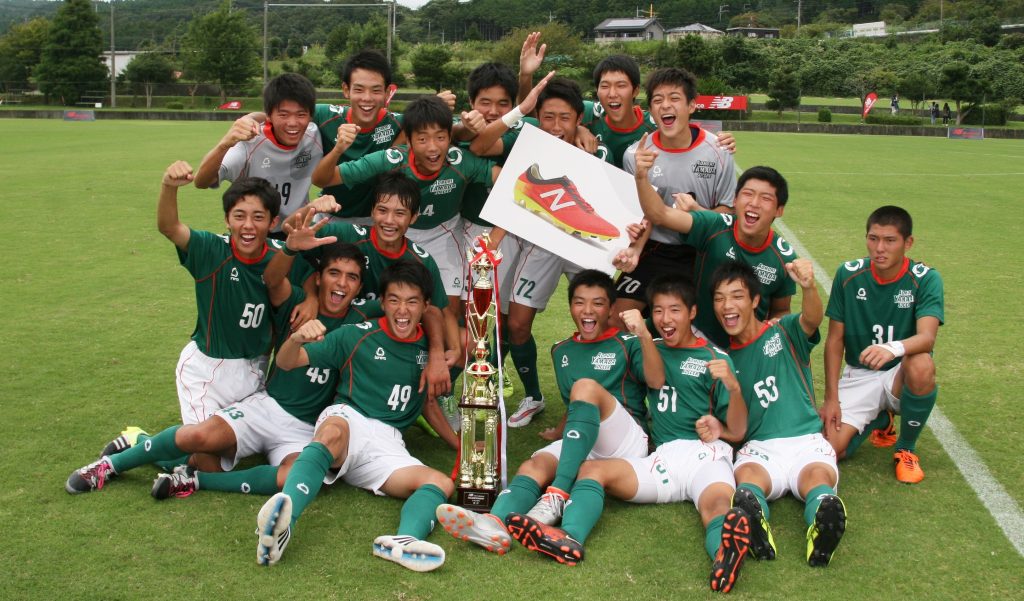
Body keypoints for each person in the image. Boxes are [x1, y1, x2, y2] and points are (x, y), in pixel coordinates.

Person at [65, 241, 383, 495]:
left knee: (295, 477)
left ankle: (188, 476)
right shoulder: (298, 302)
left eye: (352, 277)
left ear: (359, 287)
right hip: (267, 407)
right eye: (334, 273)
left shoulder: (363, 320)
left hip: (304, 428)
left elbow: (401, 307)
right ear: (319, 278)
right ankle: (112, 463)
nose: (342, 283)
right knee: (199, 438)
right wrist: (299, 269)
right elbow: (273, 280)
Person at [503, 275, 753, 593]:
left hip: (706, 454)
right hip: (661, 458)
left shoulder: (715, 359)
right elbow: (621, 374)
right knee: (592, 470)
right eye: (658, 310)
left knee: (716, 506)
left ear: (692, 312)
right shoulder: (645, 347)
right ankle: (568, 537)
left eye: (675, 310)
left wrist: (730, 395)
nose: (665, 319)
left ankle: (723, 556)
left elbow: (738, 431)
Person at [255, 260, 460, 571]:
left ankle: (403, 541)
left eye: (412, 302)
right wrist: (296, 339)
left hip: (388, 441)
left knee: (440, 483)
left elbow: (428, 404)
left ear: (425, 305)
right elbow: (287, 362)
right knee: (332, 433)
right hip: (350, 418)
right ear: (382, 302)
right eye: (394, 300)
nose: (402, 310)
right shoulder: (355, 336)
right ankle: (285, 524)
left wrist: (460, 445)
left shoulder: (428, 348)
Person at [434, 270, 650, 555]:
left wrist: (645, 335)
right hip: (587, 439)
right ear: (570, 306)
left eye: (597, 303)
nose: (587, 310)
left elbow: (655, 380)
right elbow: (577, 406)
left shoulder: (629, 342)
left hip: (625, 441)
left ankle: (557, 496)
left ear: (611, 309)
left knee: (586, 386)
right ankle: (493, 523)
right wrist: (559, 431)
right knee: (534, 465)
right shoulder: (561, 351)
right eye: (579, 302)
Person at [468, 75, 627, 427]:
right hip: (534, 237)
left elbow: (614, 198)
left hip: (581, 243)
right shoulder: (526, 140)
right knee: (512, 322)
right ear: (537, 117)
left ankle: (613, 397)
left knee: (606, 315)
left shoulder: (597, 150)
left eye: (565, 118)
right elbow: (479, 147)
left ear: (579, 118)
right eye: (548, 117)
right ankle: (530, 395)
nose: (556, 126)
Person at [312, 96, 500, 328]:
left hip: (442, 235)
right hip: (396, 234)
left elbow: (513, 181)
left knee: (447, 312)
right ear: (409, 141)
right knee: (389, 307)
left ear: (450, 138)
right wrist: (338, 149)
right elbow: (322, 178)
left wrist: (498, 234)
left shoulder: (461, 162)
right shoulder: (390, 159)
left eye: (440, 137)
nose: (433, 147)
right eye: (422, 139)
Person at [712, 260, 847, 569]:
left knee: (817, 479)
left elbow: (812, 319)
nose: (727, 306)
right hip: (760, 448)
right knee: (747, 481)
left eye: (736, 296)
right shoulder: (724, 363)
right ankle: (754, 523)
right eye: (719, 299)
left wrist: (808, 287)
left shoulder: (783, 331)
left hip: (806, 440)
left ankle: (822, 525)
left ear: (755, 301)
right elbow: (734, 426)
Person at [155, 161, 307, 425]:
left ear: (273, 221)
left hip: (253, 371)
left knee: (235, 443)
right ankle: (139, 441)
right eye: (239, 216)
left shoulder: (282, 254)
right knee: (203, 444)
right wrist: (169, 186)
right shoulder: (212, 250)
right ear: (227, 220)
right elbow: (170, 227)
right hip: (206, 369)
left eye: (258, 217)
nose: (248, 225)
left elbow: (312, 276)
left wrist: (312, 299)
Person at [820, 206, 943, 484]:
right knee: (827, 450)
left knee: (921, 362)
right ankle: (880, 419)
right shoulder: (848, 275)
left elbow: (927, 338)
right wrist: (831, 398)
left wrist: (892, 348)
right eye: (873, 239)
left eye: (890, 240)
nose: (879, 248)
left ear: (908, 243)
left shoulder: (925, 278)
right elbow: (835, 340)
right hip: (859, 374)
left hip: (900, 373)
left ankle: (906, 449)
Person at [611, 67, 737, 330]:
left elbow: (727, 213)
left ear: (691, 105)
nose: (665, 105)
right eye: (658, 100)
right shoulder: (635, 155)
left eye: (674, 98)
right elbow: (640, 215)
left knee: (698, 326)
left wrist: (698, 214)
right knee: (615, 319)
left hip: (701, 251)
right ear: (651, 109)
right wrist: (634, 249)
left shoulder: (719, 151)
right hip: (654, 249)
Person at [633, 158, 797, 348]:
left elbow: (781, 309)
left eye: (765, 198)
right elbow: (661, 214)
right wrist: (641, 176)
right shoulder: (715, 226)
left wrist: (775, 325)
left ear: (779, 210)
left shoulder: (784, 258)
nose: (754, 203)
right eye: (748, 194)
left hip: (748, 346)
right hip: (699, 337)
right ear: (735, 200)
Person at [193, 73, 323, 239]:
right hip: (255, 233)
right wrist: (224, 144)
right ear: (269, 115)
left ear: (311, 115)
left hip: (296, 231)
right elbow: (201, 182)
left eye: (301, 114)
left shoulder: (315, 135)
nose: (292, 123)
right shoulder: (250, 142)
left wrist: (251, 116)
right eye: (283, 114)